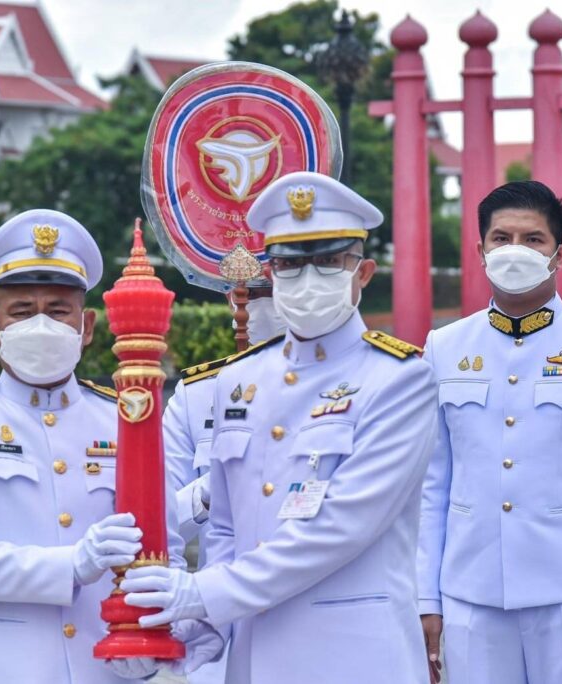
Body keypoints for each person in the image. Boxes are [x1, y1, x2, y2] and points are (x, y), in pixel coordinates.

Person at [119, 171, 439, 684]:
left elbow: (340, 527)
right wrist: (206, 624)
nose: (307, 279)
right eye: (290, 265)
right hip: (254, 657)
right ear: (270, 271)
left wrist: (204, 594)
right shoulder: (239, 381)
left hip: (354, 659)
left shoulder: (400, 380)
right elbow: (224, 529)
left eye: (328, 262)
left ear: (362, 272)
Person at [0, 208, 185, 683]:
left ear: (86, 326)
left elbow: (163, 548)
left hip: (106, 670)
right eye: (21, 312)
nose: (41, 324)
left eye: (57, 310)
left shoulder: (126, 418)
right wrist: (71, 564)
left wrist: (154, 630)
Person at [417, 181, 562, 684]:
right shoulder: (445, 347)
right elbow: (431, 485)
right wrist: (424, 599)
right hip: (470, 592)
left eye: (533, 239)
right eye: (501, 238)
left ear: (558, 254)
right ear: (480, 250)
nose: (515, 250)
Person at [163, 284, 285, 684]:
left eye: (274, 285)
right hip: (222, 630)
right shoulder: (197, 394)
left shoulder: (362, 380)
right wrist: (205, 495)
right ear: (232, 298)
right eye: (253, 291)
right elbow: (158, 520)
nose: (265, 301)